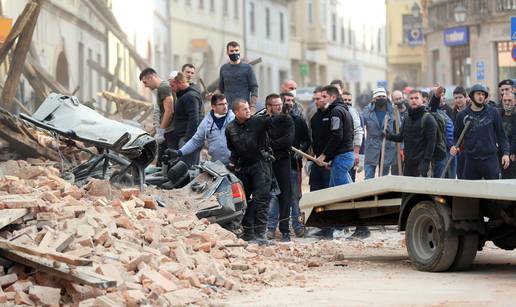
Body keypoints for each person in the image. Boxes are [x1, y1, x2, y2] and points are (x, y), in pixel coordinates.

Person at [225, 99, 273, 245]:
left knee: (261, 199)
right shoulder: (230, 128)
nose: (248, 111)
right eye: (244, 109)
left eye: (248, 108)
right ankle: (248, 232)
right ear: (236, 112)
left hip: (260, 164)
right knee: (244, 200)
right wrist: (232, 165)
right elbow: (232, 148)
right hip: (243, 167)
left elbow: (273, 123)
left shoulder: (257, 122)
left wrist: (274, 113)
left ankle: (261, 233)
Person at [267, 92, 310, 238]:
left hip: (293, 164)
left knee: (294, 197)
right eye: (286, 101)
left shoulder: (298, 120)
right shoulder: (269, 121)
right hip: (276, 163)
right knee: (275, 196)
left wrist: (301, 151)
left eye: (291, 100)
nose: (288, 103)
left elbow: (307, 140)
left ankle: (297, 227)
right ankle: (271, 228)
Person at [450, 84, 510, 180]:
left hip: (490, 159)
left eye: (483, 94)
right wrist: (454, 146)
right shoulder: (462, 115)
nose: (481, 96)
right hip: (471, 160)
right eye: (478, 94)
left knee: (493, 191)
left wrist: (506, 153)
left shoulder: (493, 112)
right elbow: (456, 135)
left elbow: (501, 135)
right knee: (471, 192)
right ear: (471, 96)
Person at [260, 94, 295, 242]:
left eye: (280, 104)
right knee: (263, 195)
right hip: (265, 162)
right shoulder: (261, 120)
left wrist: (270, 144)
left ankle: (285, 230)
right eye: (276, 105)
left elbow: (288, 141)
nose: (280, 107)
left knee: (285, 196)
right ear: (269, 106)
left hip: (282, 161)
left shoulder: (287, 120)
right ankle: (263, 229)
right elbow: (259, 140)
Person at [166, 94, 234, 165]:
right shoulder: (207, 122)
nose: (225, 106)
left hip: (235, 164)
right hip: (217, 165)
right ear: (213, 107)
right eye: (221, 104)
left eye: (226, 103)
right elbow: (195, 141)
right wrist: (179, 152)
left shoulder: (234, 119)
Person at [386, 90, 438, 177]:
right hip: (408, 163)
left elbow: (432, 143)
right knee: (408, 190)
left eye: (416, 98)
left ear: (422, 100)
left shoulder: (428, 119)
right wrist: (388, 136)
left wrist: (426, 161)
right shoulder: (407, 118)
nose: (414, 100)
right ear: (408, 101)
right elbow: (401, 137)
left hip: (422, 163)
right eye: (411, 98)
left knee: (421, 190)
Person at [315, 85, 354, 186]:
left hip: (342, 157)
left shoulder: (336, 111)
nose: (322, 100)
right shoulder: (343, 109)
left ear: (333, 97)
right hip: (342, 156)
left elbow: (337, 136)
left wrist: (324, 155)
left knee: (342, 194)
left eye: (324, 97)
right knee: (334, 190)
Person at [330, 80, 364, 182]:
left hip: (347, 153)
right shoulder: (332, 109)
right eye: (345, 100)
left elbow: (358, 131)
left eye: (349, 99)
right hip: (335, 155)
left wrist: (357, 153)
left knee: (347, 185)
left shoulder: (351, 111)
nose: (347, 102)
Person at [139, 68, 174, 164]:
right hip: (168, 130)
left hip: (171, 131)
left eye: (145, 82)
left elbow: (169, 111)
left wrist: (161, 131)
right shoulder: (161, 88)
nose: (145, 86)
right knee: (162, 161)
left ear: (151, 78)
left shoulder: (164, 87)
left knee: (168, 161)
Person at [169, 72, 203, 167]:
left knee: (186, 168)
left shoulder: (189, 96)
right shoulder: (185, 95)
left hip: (188, 138)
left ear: (179, 83)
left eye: (172, 86)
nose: (172, 89)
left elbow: (194, 118)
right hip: (186, 137)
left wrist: (188, 139)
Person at [362, 88, 397, 179]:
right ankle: (369, 193)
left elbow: (398, 129)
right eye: (379, 96)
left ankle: (381, 193)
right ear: (374, 98)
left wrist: (400, 147)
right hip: (372, 146)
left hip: (387, 146)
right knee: (369, 176)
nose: (381, 98)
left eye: (383, 96)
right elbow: (361, 126)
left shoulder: (393, 111)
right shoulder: (367, 111)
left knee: (383, 178)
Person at [215, 41, 258, 112]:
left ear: (240, 51)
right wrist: (213, 96)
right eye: (231, 51)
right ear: (227, 52)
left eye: (236, 50)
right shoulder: (224, 68)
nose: (234, 53)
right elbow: (220, 88)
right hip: (227, 108)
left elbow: (254, 88)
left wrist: (253, 106)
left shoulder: (248, 68)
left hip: (243, 108)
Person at [309, 87, 331, 192]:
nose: (315, 102)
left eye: (318, 99)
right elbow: (313, 140)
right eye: (314, 99)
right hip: (317, 161)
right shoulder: (314, 118)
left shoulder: (334, 114)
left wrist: (327, 156)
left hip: (330, 162)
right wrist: (310, 159)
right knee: (315, 190)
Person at [499, 93, 516, 179]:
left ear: (515, 101)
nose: (507, 103)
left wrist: (512, 152)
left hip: (512, 156)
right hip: (499, 153)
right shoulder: (498, 115)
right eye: (505, 100)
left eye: (510, 100)